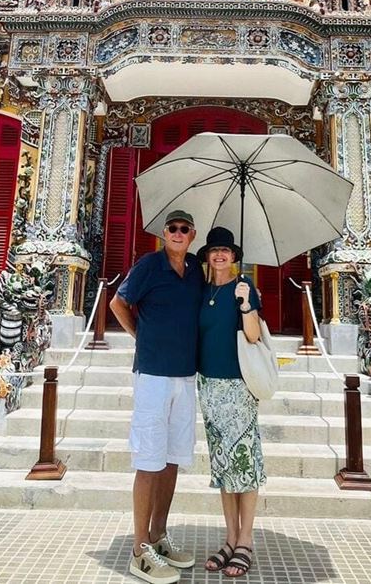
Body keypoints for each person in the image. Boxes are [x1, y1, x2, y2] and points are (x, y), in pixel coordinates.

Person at [110, 209, 203, 584]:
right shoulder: (149, 265)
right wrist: (139, 336)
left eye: (185, 229)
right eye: (172, 228)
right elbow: (118, 303)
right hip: (152, 376)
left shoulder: (196, 268)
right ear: (164, 233)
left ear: (192, 235)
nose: (178, 234)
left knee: (172, 459)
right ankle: (138, 551)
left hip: (185, 376)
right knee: (149, 460)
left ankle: (159, 536)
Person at [196, 226, 265, 579]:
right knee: (223, 466)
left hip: (238, 386)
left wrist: (246, 304)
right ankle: (229, 536)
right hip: (208, 385)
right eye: (214, 250)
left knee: (244, 462)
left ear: (234, 257)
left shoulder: (244, 288)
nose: (219, 255)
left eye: (225, 250)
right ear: (207, 257)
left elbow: (252, 335)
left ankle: (246, 539)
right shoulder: (203, 290)